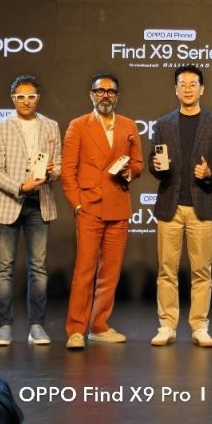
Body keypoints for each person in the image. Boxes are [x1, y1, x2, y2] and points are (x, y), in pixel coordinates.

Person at [149, 65, 212, 348]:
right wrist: (157, 166)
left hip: (202, 206)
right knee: (166, 270)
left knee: (201, 271)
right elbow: (153, 163)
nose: (187, 89)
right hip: (169, 206)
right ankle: (166, 325)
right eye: (182, 84)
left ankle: (199, 326)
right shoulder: (163, 124)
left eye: (192, 84)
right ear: (175, 89)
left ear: (202, 89)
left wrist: (210, 172)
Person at [62, 72, 143, 350]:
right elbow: (68, 170)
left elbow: (138, 164)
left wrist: (129, 172)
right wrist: (77, 203)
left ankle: (99, 326)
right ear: (91, 95)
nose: (105, 95)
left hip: (118, 204)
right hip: (90, 206)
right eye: (100, 91)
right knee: (84, 270)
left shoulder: (129, 125)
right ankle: (76, 329)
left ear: (117, 96)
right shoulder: (78, 125)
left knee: (110, 272)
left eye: (110, 91)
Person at [0, 74, 61, 346]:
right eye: (20, 97)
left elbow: (59, 165)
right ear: (12, 99)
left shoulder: (51, 126)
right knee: (4, 267)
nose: (26, 101)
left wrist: (51, 172)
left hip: (40, 203)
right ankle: (4, 326)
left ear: (38, 98)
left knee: (38, 267)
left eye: (31, 96)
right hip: (9, 202)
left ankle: (36, 326)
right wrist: (21, 186)